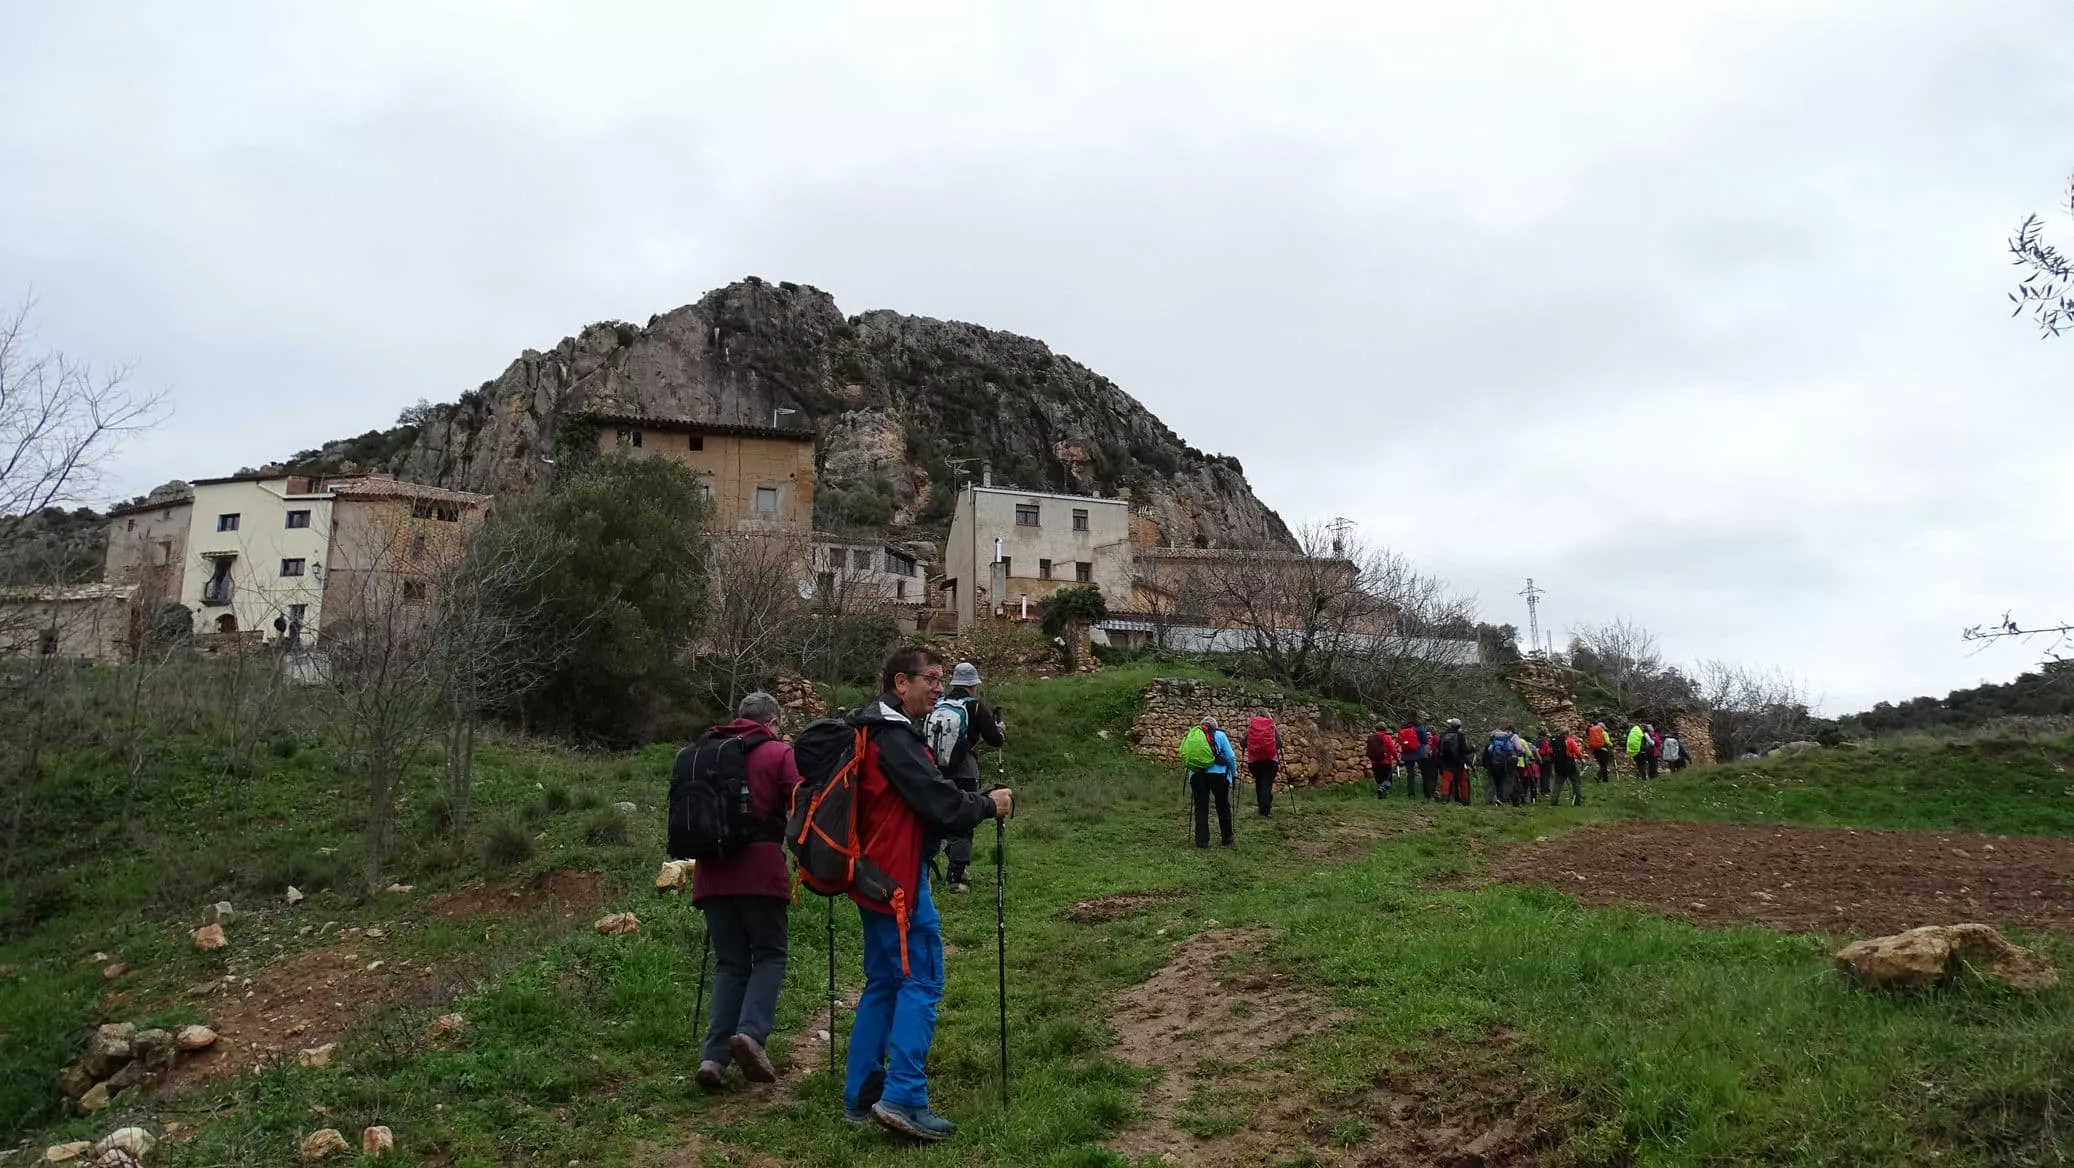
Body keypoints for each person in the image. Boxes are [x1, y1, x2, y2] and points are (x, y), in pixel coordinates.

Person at [841, 648, 1014, 1141]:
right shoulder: (893, 737)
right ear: (901, 682)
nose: (939, 688)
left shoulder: (867, 728)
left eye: (942, 679)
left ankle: (860, 1095)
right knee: (922, 980)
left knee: (883, 982)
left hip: (869, 874)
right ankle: (903, 1096)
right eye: (932, 679)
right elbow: (938, 801)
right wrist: (989, 803)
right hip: (897, 880)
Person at [691, 692, 805, 1090]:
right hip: (759, 871)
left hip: (710, 872)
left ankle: (712, 1059)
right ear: (773, 722)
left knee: (730, 963)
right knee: (770, 954)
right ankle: (751, 1035)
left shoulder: (706, 749)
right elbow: (800, 803)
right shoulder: (778, 752)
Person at [927, 661, 1005, 894]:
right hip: (965, 771)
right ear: (972, 685)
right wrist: (1000, 728)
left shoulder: (938, 703)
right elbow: (995, 740)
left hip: (936, 770)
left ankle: (925, 872)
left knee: (937, 817)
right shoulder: (976, 707)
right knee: (963, 819)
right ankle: (956, 877)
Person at [1184, 716, 1239, 847]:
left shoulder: (1192, 736)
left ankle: (1201, 841)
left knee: (1201, 807)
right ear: (1215, 726)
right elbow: (1230, 756)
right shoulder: (1220, 735)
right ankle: (1227, 838)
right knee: (1223, 805)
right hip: (1218, 774)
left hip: (1197, 774)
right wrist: (1233, 773)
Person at [1241, 709, 1282, 817]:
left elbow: (1242, 743)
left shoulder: (1251, 727)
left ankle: (1261, 805)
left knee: (1260, 783)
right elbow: (1279, 743)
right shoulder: (1272, 727)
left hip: (1254, 762)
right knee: (1266, 785)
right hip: (1270, 761)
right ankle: (1265, 811)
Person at [1436, 718, 1473, 804]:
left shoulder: (1443, 735)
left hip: (1446, 761)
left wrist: (1439, 761)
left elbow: (1439, 749)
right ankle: (1465, 799)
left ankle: (1444, 798)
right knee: (1463, 780)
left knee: (1446, 779)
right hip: (1458, 761)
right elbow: (1464, 750)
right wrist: (1472, 749)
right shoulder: (1460, 736)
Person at [1484, 724, 1520, 806]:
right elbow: (1514, 750)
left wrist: (1486, 764)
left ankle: (1496, 799)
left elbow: (1487, 754)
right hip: (1506, 764)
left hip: (1493, 765)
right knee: (1507, 781)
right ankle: (1503, 799)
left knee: (1496, 783)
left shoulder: (1492, 743)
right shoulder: (1507, 741)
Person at [1551, 728, 1585, 806]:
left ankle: (1554, 801)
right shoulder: (1570, 741)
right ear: (1567, 733)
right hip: (1569, 765)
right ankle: (1577, 801)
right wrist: (1582, 760)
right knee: (1576, 782)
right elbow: (1577, 752)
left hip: (1558, 765)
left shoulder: (1555, 741)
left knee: (1558, 783)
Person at [1365, 721, 1399, 798]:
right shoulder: (1386, 737)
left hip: (1374, 762)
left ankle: (1382, 795)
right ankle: (1382, 789)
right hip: (1385, 762)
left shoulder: (1371, 737)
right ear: (1385, 729)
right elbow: (1392, 749)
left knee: (1379, 779)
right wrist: (1397, 758)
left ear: (1376, 728)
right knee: (1388, 780)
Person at [1396, 720, 1426, 801]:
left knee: (1410, 774)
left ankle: (1411, 794)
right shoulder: (1420, 727)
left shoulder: (1404, 728)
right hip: (1419, 753)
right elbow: (1425, 739)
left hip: (1407, 754)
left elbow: (1400, 740)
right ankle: (1427, 793)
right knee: (1425, 773)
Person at [1415, 721, 1440, 799]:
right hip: (1434, 759)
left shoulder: (1424, 737)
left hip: (1425, 758)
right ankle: (1433, 791)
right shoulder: (1436, 738)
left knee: (1426, 776)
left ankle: (1427, 793)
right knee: (1434, 776)